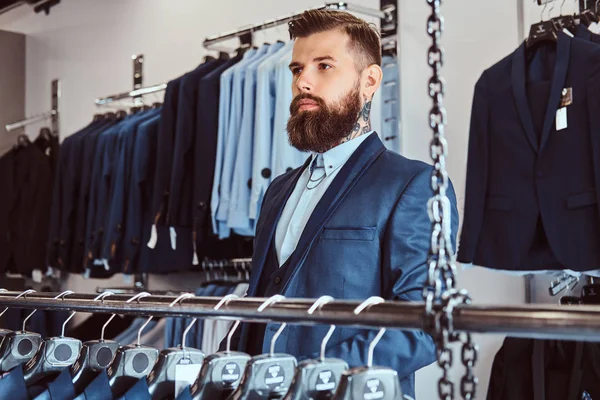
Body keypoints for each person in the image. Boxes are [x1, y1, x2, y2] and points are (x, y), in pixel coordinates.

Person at [226, 9, 459, 398]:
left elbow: (424, 326)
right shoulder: (278, 190)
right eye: (297, 69)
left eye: (324, 66)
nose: (303, 81)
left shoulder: (414, 185)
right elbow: (260, 305)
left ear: (369, 81)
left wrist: (318, 379)